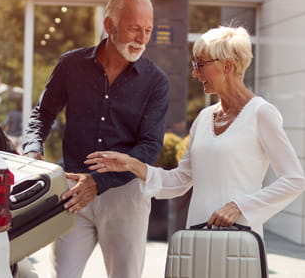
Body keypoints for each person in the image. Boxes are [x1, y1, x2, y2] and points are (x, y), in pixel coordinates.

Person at [85, 25, 305, 237]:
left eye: (200, 65)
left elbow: (294, 179)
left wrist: (241, 207)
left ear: (227, 66)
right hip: (198, 232)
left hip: (240, 237)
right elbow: (180, 180)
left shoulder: (261, 113)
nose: (194, 73)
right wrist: (131, 164)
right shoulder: (204, 117)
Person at [22, 0, 169, 278]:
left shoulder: (156, 82)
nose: (142, 39)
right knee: (62, 275)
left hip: (125, 196)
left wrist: (99, 182)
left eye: (148, 30)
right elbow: (42, 113)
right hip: (74, 191)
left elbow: (150, 145)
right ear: (109, 25)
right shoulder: (71, 65)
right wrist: (32, 150)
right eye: (134, 29)